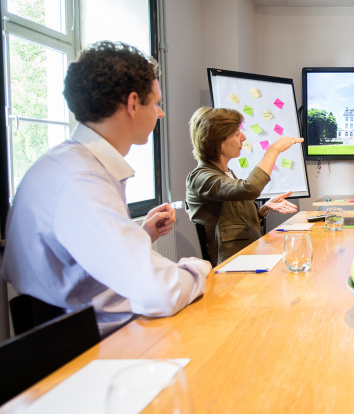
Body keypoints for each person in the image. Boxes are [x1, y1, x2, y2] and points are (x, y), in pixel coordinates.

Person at [1, 41, 212, 336]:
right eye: (155, 103)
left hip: (85, 330)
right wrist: (198, 268)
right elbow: (162, 292)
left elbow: (81, 263)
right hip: (90, 346)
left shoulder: (68, 163)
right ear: (133, 103)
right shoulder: (82, 179)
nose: (160, 113)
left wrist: (141, 235)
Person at [185, 107, 303, 265]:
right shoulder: (200, 178)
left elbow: (236, 220)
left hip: (250, 254)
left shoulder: (225, 173)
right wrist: (273, 150)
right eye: (236, 134)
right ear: (218, 142)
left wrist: (263, 209)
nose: (243, 137)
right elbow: (250, 188)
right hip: (231, 264)